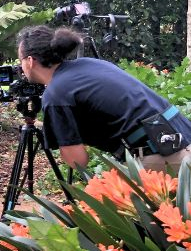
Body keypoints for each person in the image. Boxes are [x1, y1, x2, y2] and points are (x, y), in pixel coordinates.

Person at [17, 25, 191, 172]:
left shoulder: (56, 93)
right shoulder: (90, 64)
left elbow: (78, 162)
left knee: (127, 208)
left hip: (163, 154)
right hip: (181, 135)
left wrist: (60, 132)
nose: (20, 67)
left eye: (20, 60)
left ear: (30, 61)